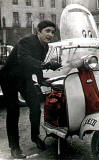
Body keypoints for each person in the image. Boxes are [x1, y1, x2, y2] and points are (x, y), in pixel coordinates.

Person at [0, 20, 61, 158]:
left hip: (24, 78)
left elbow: (36, 67)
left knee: (35, 106)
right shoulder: (25, 41)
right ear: (38, 31)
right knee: (13, 110)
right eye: (47, 31)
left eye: (52, 32)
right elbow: (25, 59)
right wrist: (46, 65)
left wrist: (43, 81)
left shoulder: (45, 47)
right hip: (8, 77)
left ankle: (35, 136)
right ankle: (14, 147)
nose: (50, 35)